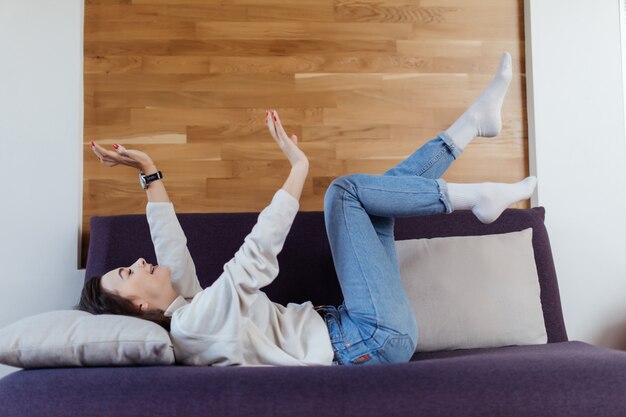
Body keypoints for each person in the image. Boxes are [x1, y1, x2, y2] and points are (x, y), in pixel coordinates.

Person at [78, 51, 537, 366]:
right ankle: (475, 193)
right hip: (368, 341)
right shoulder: (193, 327)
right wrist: (298, 168)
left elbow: (169, 245)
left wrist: (149, 171)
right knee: (345, 193)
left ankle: (472, 126)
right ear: (138, 305)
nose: (137, 262)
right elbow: (251, 261)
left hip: (356, 329)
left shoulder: (190, 309)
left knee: (373, 201)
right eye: (125, 271)